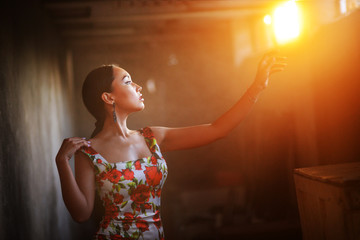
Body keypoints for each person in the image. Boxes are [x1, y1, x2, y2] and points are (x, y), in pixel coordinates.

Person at [55, 51, 286, 240]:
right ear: (108, 97)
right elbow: (82, 213)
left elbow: (217, 130)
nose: (138, 86)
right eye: (127, 81)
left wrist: (257, 87)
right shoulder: (88, 151)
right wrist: (62, 162)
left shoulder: (152, 137)